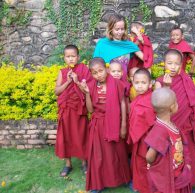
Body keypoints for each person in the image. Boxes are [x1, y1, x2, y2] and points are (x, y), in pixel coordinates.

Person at [154, 49, 195, 193]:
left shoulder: (186, 79)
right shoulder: (159, 82)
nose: (173, 67)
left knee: (191, 155)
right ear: (164, 64)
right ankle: (171, 186)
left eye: (177, 64)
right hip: (168, 127)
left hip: (184, 125)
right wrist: (167, 86)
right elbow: (159, 106)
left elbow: (192, 100)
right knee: (171, 157)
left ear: (181, 65)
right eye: (169, 63)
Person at [79, 58, 131, 192]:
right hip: (98, 124)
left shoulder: (116, 83)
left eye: (101, 71)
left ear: (106, 69)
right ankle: (98, 183)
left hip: (114, 122)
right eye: (95, 73)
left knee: (118, 152)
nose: (99, 75)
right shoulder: (91, 86)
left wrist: (124, 125)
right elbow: (90, 110)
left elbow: (123, 103)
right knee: (98, 155)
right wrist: (86, 93)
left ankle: (125, 179)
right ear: (91, 74)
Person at [145, 87, 192, 193]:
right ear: (172, 107)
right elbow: (149, 157)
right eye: (176, 102)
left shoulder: (169, 124)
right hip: (169, 177)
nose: (177, 104)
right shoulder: (159, 130)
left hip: (178, 173)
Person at [54, 44, 92, 177]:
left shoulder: (83, 69)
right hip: (66, 110)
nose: (71, 59)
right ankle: (68, 164)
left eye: (73, 56)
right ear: (64, 58)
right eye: (68, 56)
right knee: (66, 136)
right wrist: (68, 82)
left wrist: (76, 81)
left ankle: (84, 162)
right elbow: (57, 91)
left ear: (78, 57)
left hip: (79, 110)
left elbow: (88, 90)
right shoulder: (62, 72)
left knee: (82, 135)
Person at [128, 68, 156, 193]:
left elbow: (154, 123)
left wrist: (152, 145)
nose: (139, 86)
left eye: (143, 83)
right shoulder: (137, 99)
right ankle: (141, 186)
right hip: (138, 140)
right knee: (139, 165)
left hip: (148, 141)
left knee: (147, 166)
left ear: (150, 84)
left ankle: (148, 188)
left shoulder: (152, 100)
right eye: (137, 82)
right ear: (132, 83)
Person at [93, 14, 144, 81]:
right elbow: (95, 65)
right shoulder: (102, 44)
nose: (120, 32)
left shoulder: (128, 44)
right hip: (107, 83)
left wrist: (139, 36)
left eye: (122, 29)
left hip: (123, 84)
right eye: (117, 29)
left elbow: (145, 59)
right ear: (111, 29)